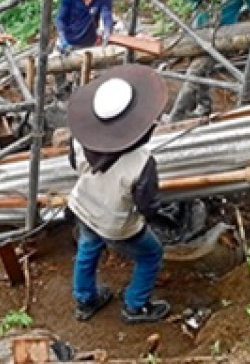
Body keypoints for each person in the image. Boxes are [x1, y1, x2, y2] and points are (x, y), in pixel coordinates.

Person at [66, 64, 171, 324]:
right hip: (116, 224)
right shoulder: (141, 162)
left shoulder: (80, 138)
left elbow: (73, 163)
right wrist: (159, 214)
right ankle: (136, 305)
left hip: (84, 206)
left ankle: (85, 300)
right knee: (150, 254)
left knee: (87, 249)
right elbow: (146, 204)